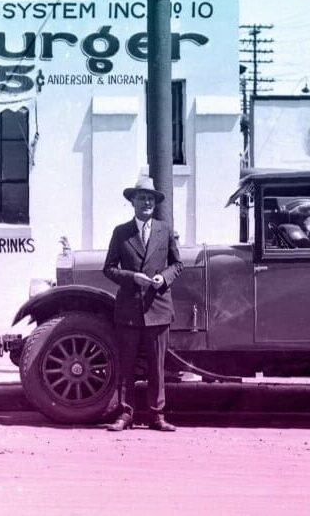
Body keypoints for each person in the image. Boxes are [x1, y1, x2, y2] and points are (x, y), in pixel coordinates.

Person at [102, 176, 184, 432]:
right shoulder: (121, 232)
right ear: (133, 202)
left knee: (157, 367)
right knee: (126, 364)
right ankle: (125, 414)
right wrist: (132, 278)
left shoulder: (165, 229)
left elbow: (177, 264)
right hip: (129, 309)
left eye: (150, 198)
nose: (146, 202)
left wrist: (164, 278)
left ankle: (156, 416)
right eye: (142, 198)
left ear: (154, 203)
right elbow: (109, 269)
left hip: (158, 309)